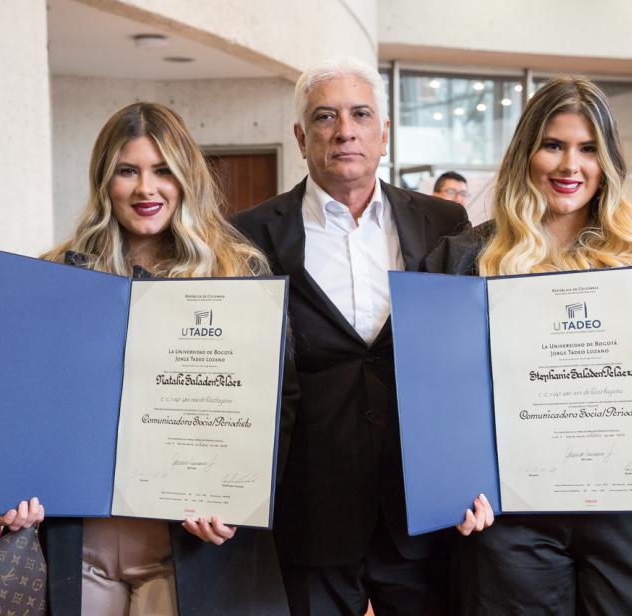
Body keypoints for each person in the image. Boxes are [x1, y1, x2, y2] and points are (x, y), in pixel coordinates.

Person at [425, 77, 632, 614]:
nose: (570, 166)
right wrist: (453, 487)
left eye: (587, 149)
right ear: (525, 153)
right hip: (513, 515)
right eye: (553, 145)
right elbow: (434, 385)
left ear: (608, 161)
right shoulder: (470, 257)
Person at [0, 102, 292, 615]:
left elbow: (275, 404)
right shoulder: (57, 275)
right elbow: (25, 399)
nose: (146, 189)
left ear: (186, 178)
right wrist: (11, 488)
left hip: (187, 546)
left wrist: (239, 500)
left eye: (162, 171)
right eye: (127, 171)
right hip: (81, 540)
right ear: (103, 180)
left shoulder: (237, 276)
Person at [235, 57, 473, 615]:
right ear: (301, 137)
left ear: (383, 133)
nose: (345, 130)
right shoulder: (248, 234)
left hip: (422, 509)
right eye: (326, 116)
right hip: (309, 511)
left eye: (361, 114)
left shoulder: (445, 223)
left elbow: (468, 355)